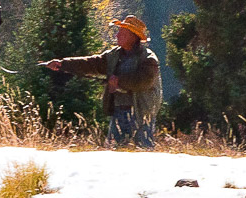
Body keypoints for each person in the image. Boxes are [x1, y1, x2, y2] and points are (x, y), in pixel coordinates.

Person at [43, 15, 163, 148]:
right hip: (119, 111)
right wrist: (63, 64)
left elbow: (143, 81)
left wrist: (118, 81)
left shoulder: (149, 59)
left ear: (133, 36)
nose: (117, 35)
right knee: (112, 152)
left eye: (121, 33)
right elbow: (91, 64)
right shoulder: (114, 55)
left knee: (143, 153)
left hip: (142, 113)